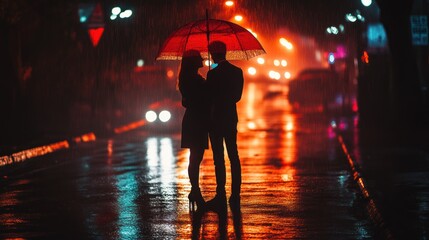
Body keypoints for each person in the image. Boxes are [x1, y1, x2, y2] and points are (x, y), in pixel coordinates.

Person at [206, 41, 244, 207]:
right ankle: (235, 194)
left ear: (213, 54)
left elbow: (208, 97)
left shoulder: (212, 74)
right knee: (233, 156)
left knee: (218, 158)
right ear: (225, 52)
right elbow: (237, 97)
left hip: (215, 119)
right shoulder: (237, 71)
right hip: (230, 117)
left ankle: (220, 193)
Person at [178, 49, 210, 211]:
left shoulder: (188, 78)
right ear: (193, 62)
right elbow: (200, 98)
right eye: (200, 59)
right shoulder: (192, 79)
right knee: (196, 157)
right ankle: (195, 191)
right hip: (196, 120)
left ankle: (195, 190)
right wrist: (208, 83)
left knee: (195, 157)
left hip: (194, 119)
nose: (203, 61)